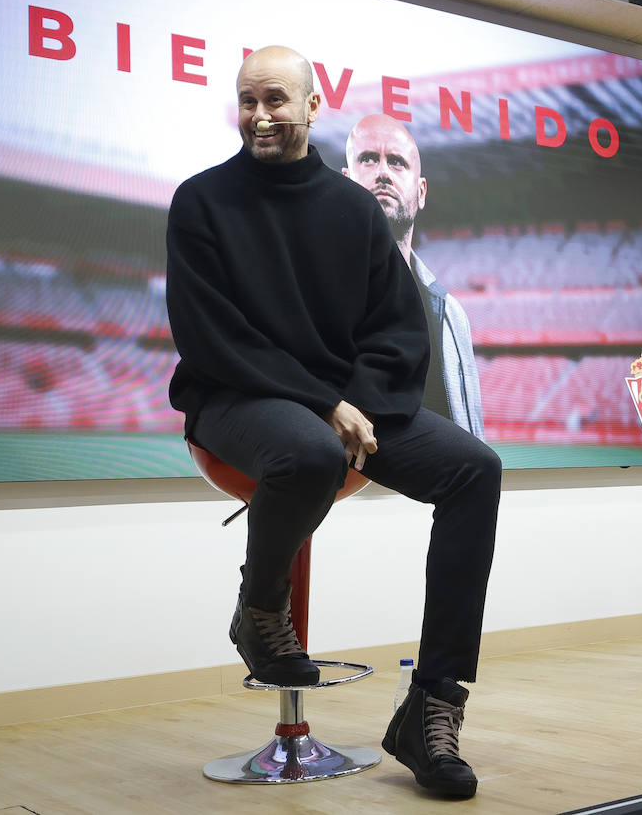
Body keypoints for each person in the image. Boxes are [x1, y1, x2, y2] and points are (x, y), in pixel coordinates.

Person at [165, 46, 501, 797]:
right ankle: (259, 609)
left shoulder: (353, 209)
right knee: (313, 451)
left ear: (313, 107)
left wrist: (357, 404)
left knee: (475, 469)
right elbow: (213, 338)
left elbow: (397, 333)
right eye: (248, 100)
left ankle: (433, 706)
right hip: (234, 398)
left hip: (345, 403)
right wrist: (326, 402)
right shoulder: (201, 201)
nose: (261, 115)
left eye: (277, 100)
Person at [343, 113, 485, 439]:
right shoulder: (312, 289)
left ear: (421, 192)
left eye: (396, 162)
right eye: (368, 159)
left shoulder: (450, 313)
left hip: (434, 487)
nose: (382, 173)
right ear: (345, 181)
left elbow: (471, 438)